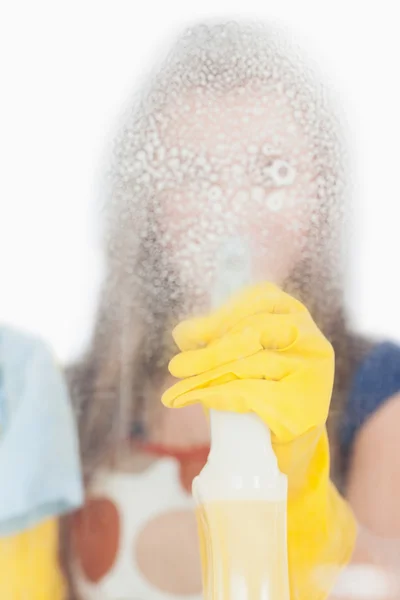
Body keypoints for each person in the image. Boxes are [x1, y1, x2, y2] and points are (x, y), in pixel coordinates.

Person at [2, 19, 400, 600]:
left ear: (321, 191)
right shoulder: (73, 403)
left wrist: (295, 467)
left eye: (271, 170)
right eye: (195, 173)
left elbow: (378, 581)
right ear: (146, 203)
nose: (233, 205)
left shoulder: (375, 393)